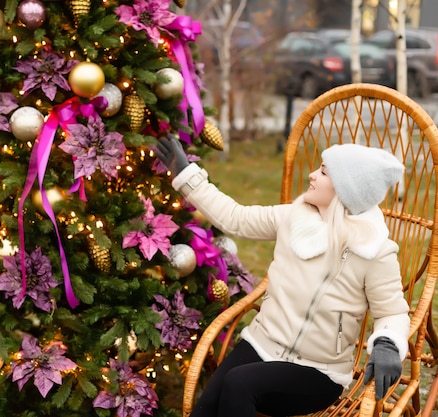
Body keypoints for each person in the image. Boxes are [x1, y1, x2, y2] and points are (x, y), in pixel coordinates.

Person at [154, 136, 410, 417]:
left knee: (239, 384)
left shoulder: (374, 250)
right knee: (206, 409)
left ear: (346, 191)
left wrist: (387, 342)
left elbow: (392, 311)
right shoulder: (293, 217)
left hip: (317, 372)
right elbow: (234, 217)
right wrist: (186, 175)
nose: (312, 175)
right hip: (261, 344)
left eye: (323, 172)